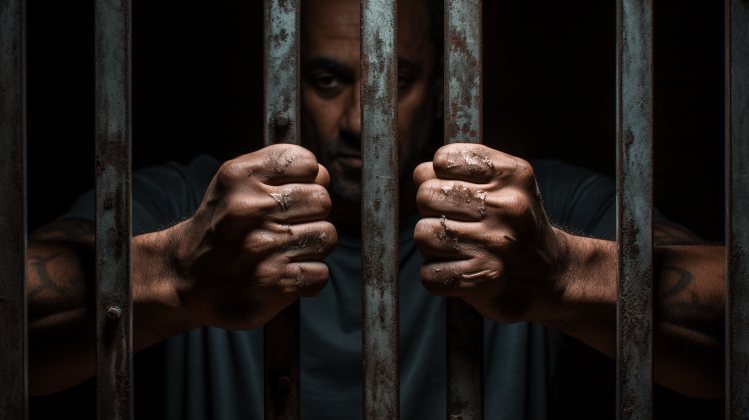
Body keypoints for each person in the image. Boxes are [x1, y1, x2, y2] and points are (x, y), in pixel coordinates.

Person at [26, 0, 725, 418]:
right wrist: (171, 271)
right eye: (328, 79)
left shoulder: (536, 213)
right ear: (279, 77)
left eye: (398, 81)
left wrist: (566, 273)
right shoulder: (183, 206)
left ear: (447, 85)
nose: (362, 119)